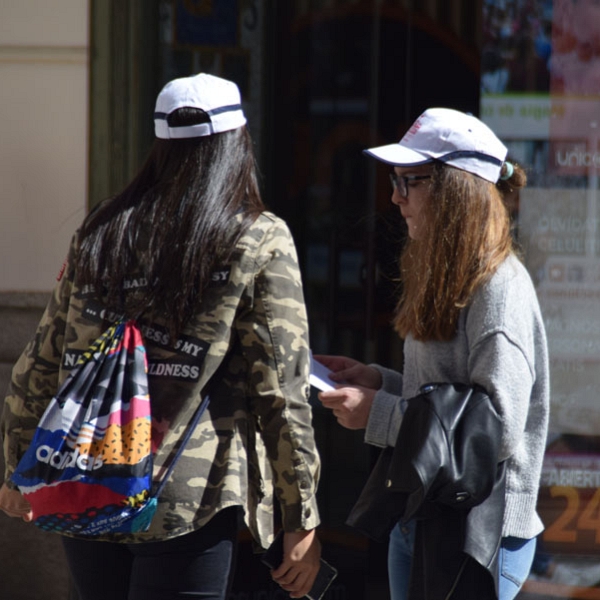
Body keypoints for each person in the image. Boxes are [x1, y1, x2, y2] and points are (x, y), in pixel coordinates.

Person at [0, 73, 322, 600]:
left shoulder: (103, 230)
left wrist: (18, 471)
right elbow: (282, 394)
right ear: (238, 143)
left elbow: (40, 361)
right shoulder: (258, 237)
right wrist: (300, 516)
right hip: (185, 500)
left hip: (87, 482)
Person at [316, 108, 549, 600]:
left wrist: (377, 413)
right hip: (425, 514)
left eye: (410, 180)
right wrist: (379, 381)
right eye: (394, 180)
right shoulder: (452, 274)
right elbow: (446, 397)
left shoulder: (498, 292)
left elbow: (494, 432)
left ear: (457, 190)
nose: (395, 196)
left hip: (478, 534)